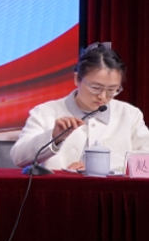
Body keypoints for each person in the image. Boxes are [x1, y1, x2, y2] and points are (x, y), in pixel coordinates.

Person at [10, 42, 149, 173]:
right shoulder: (44, 112)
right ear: (77, 79)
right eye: (96, 87)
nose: (103, 96)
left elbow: (146, 158)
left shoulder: (130, 114)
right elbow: (18, 157)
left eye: (112, 89)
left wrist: (102, 166)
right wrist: (54, 137)